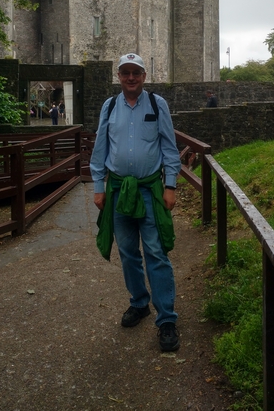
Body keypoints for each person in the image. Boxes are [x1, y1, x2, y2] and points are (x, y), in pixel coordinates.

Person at [90, 53, 181, 352]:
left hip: (148, 189)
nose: (131, 78)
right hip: (117, 190)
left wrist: (170, 185)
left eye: (136, 73)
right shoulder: (110, 106)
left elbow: (169, 146)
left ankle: (166, 318)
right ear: (119, 76)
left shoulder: (157, 104)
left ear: (144, 76)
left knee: (155, 252)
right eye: (125, 72)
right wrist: (98, 186)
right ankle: (139, 302)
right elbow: (101, 146)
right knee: (128, 252)